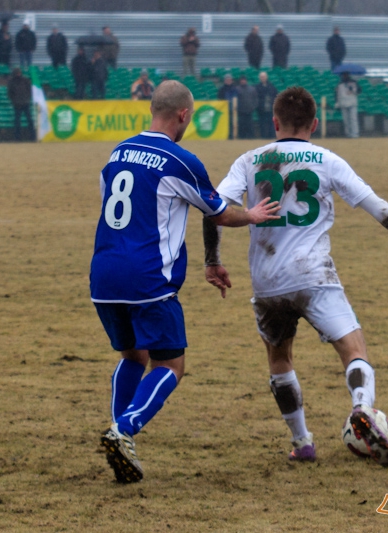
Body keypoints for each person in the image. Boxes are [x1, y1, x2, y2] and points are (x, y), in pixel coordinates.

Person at [203, 86, 388, 468]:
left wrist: (212, 261)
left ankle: (302, 442)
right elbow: (376, 207)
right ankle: (361, 409)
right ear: (315, 123)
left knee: (279, 358)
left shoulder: (250, 159)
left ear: (275, 121)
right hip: (315, 276)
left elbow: (213, 208)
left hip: (268, 282)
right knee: (353, 349)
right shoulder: (327, 160)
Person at [92, 80, 281, 484]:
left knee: (133, 356)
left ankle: (119, 432)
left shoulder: (118, 151)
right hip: (148, 278)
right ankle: (123, 431)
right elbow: (217, 212)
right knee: (170, 363)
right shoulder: (179, 159)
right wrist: (250, 214)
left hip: (103, 274)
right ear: (183, 115)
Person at [7, 68, 35, 141]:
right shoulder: (11, 82)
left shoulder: (25, 80)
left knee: (30, 120)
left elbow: (29, 90)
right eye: (17, 73)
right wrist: (14, 101)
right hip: (17, 104)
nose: (18, 74)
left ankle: (33, 136)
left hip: (25, 103)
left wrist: (27, 99)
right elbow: (10, 93)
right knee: (17, 122)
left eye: (19, 72)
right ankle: (17, 137)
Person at [336, 72, 360, 138]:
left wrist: (352, 89)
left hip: (352, 102)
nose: (345, 76)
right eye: (344, 75)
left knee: (353, 119)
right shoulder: (340, 84)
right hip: (343, 103)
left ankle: (355, 134)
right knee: (346, 120)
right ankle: (348, 134)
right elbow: (337, 94)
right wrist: (338, 103)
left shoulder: (353, 82)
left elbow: (359, 91)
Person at [256, 71, 278, 139]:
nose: (263, 78)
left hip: (270, 109)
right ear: (259, 78)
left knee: (271, 123)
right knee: (262, 123)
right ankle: (263, 136)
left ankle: (271, 136)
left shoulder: (271, 86)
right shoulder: (257, 87)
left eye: (264, 76)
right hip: (261, 109)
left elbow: (276, 96)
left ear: (266, 77)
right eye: (261, 77)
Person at [217, 74, 237, 140]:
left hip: (233, 109)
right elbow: (219, 99)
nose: (228, 81)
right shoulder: (222, 89)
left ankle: (232, 136)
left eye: (230, 80)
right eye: (227, 80)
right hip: (224, 110)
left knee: (232, 123)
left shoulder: (234, 88)